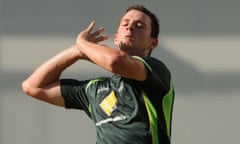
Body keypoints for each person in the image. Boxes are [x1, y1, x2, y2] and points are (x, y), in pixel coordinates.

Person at [22, 4, 175, 144]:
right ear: (116, 38)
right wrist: (75, 51)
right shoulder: (94, 89)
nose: (130, 28)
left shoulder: (155, 71)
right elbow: (33, 86)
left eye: (139, 26)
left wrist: (82, 43)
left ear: (153, 43)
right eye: (125, 24)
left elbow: (115, 62)